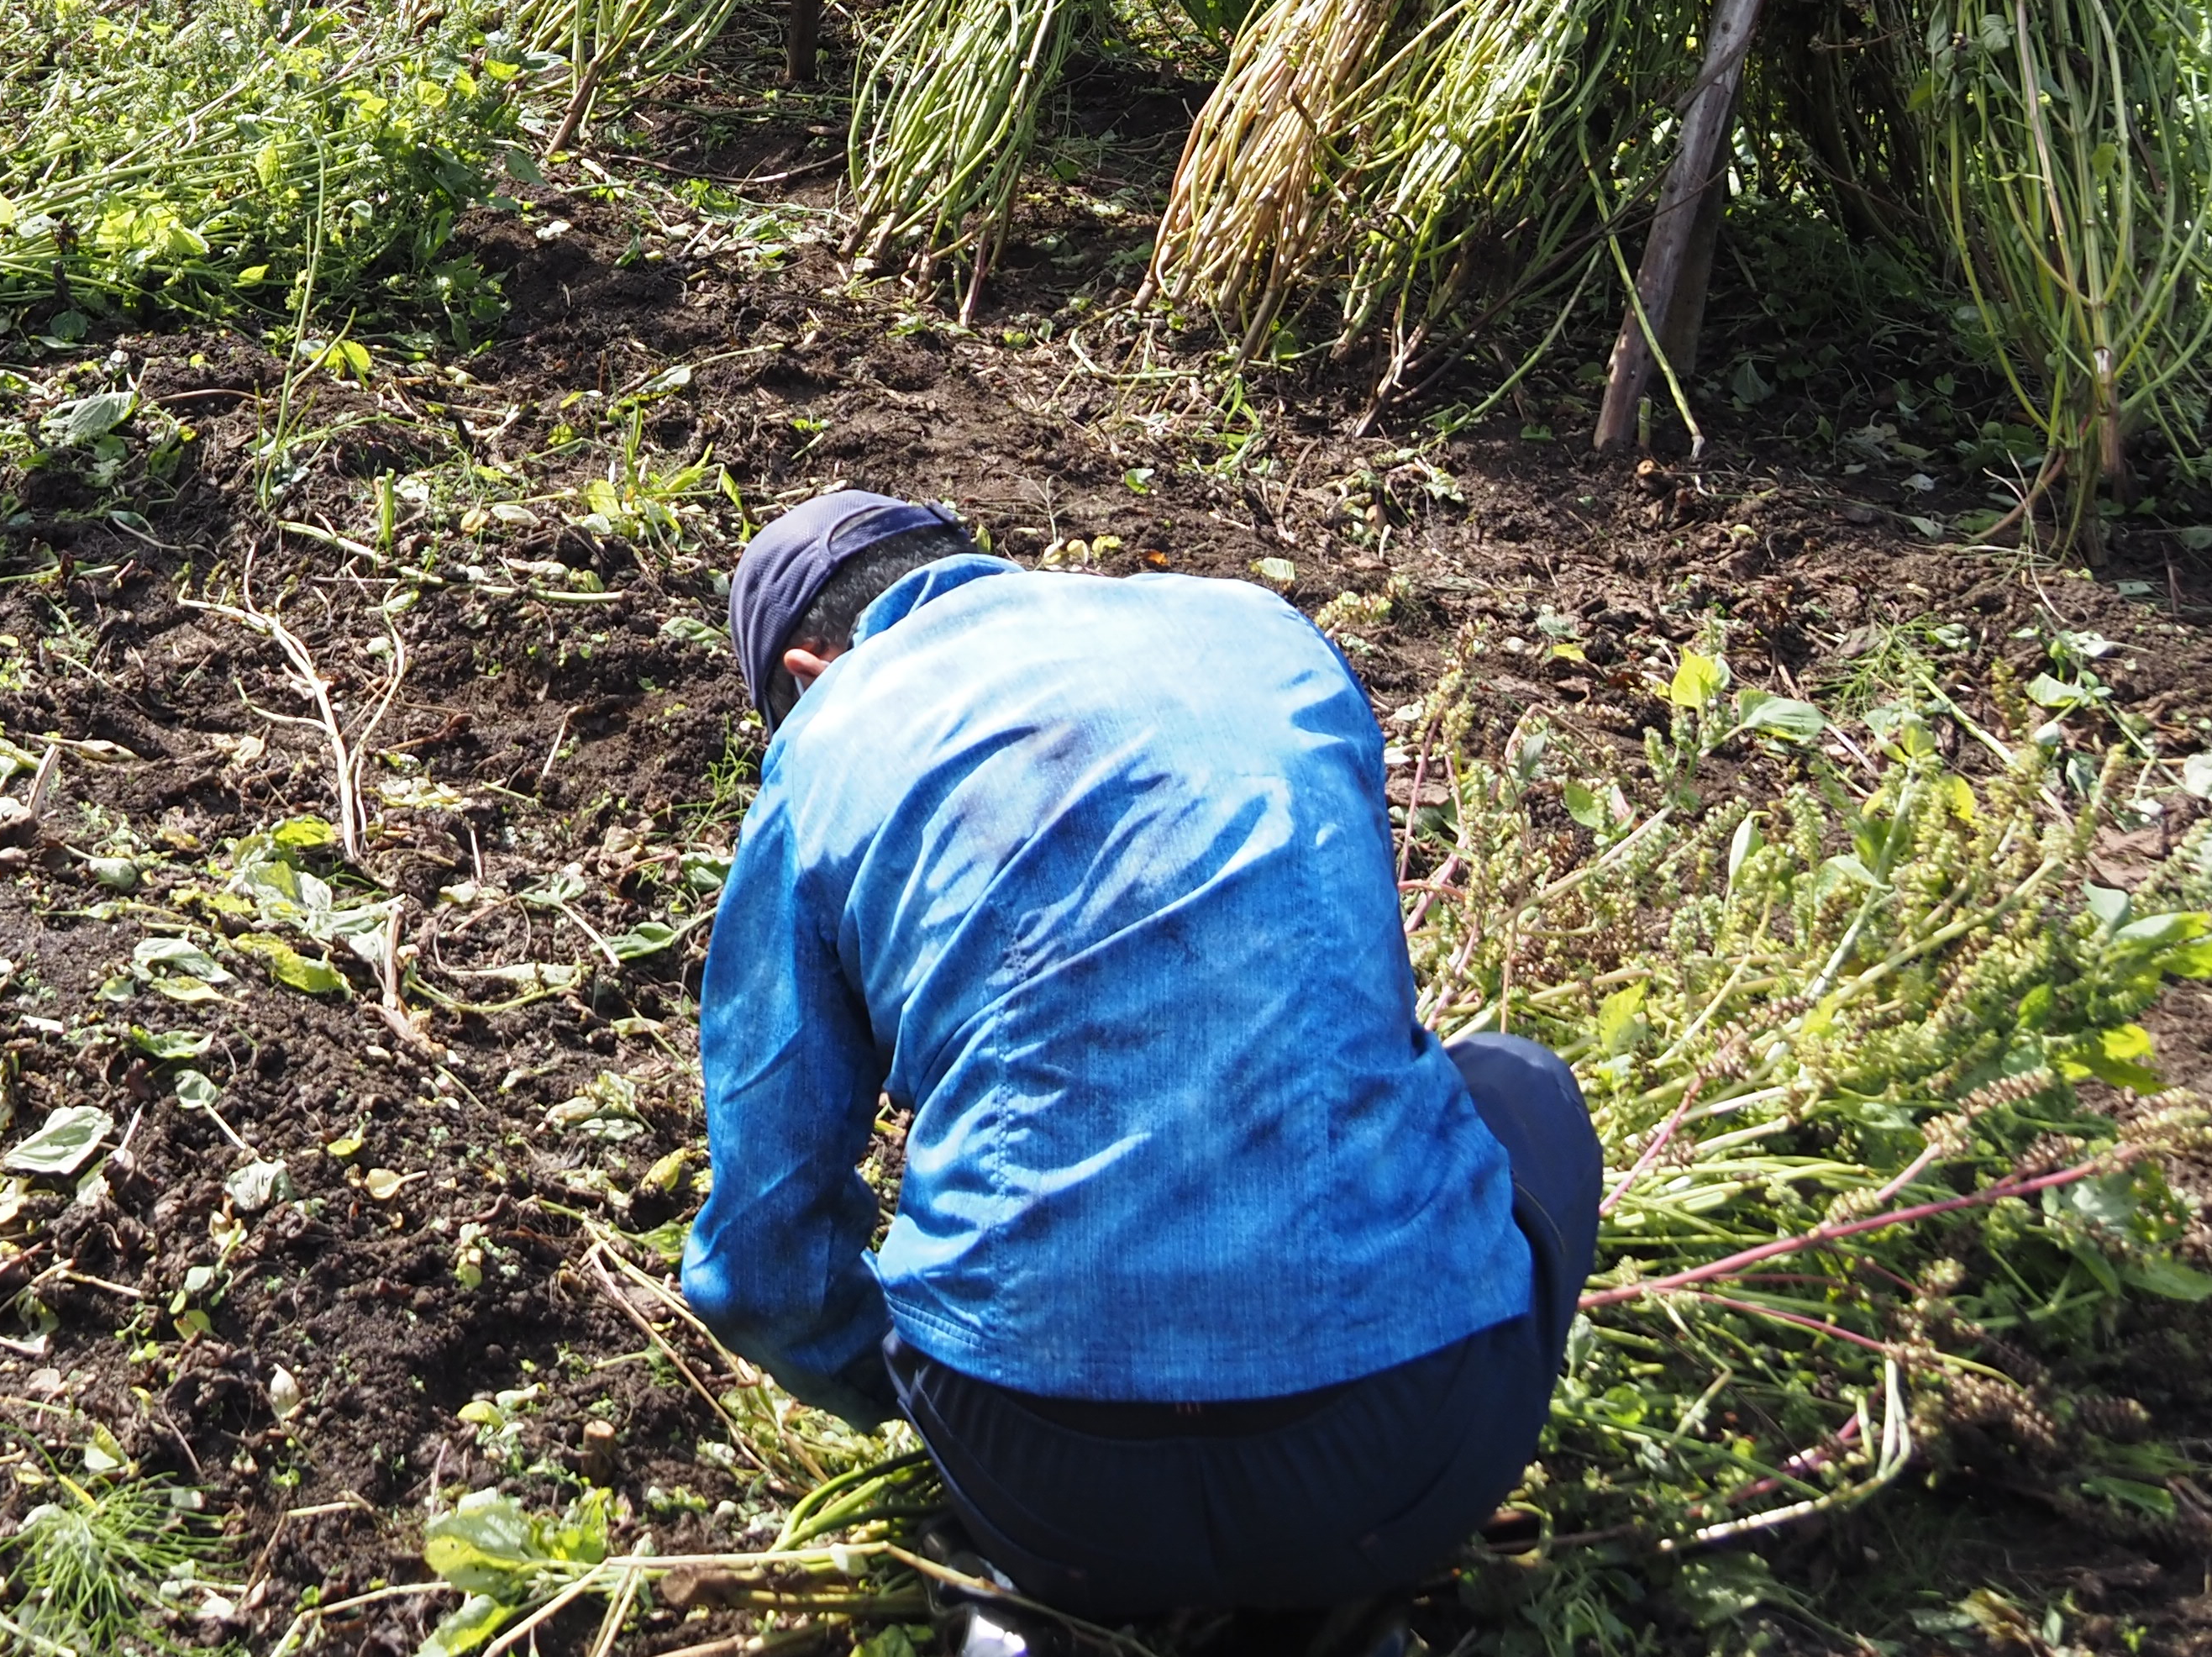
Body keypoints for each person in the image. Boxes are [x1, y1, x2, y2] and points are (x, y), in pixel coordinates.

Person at [685, 492, 1604, 1644]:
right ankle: (1336, 1598)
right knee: (1524, 1087)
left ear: (809, 674)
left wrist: (910, 1384)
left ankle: (1067, 1604)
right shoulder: (1259, 633)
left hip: (1047, 1489)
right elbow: (1361, 1014)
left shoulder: (830, 737)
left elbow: (761, 1254)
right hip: (1404, 1463)